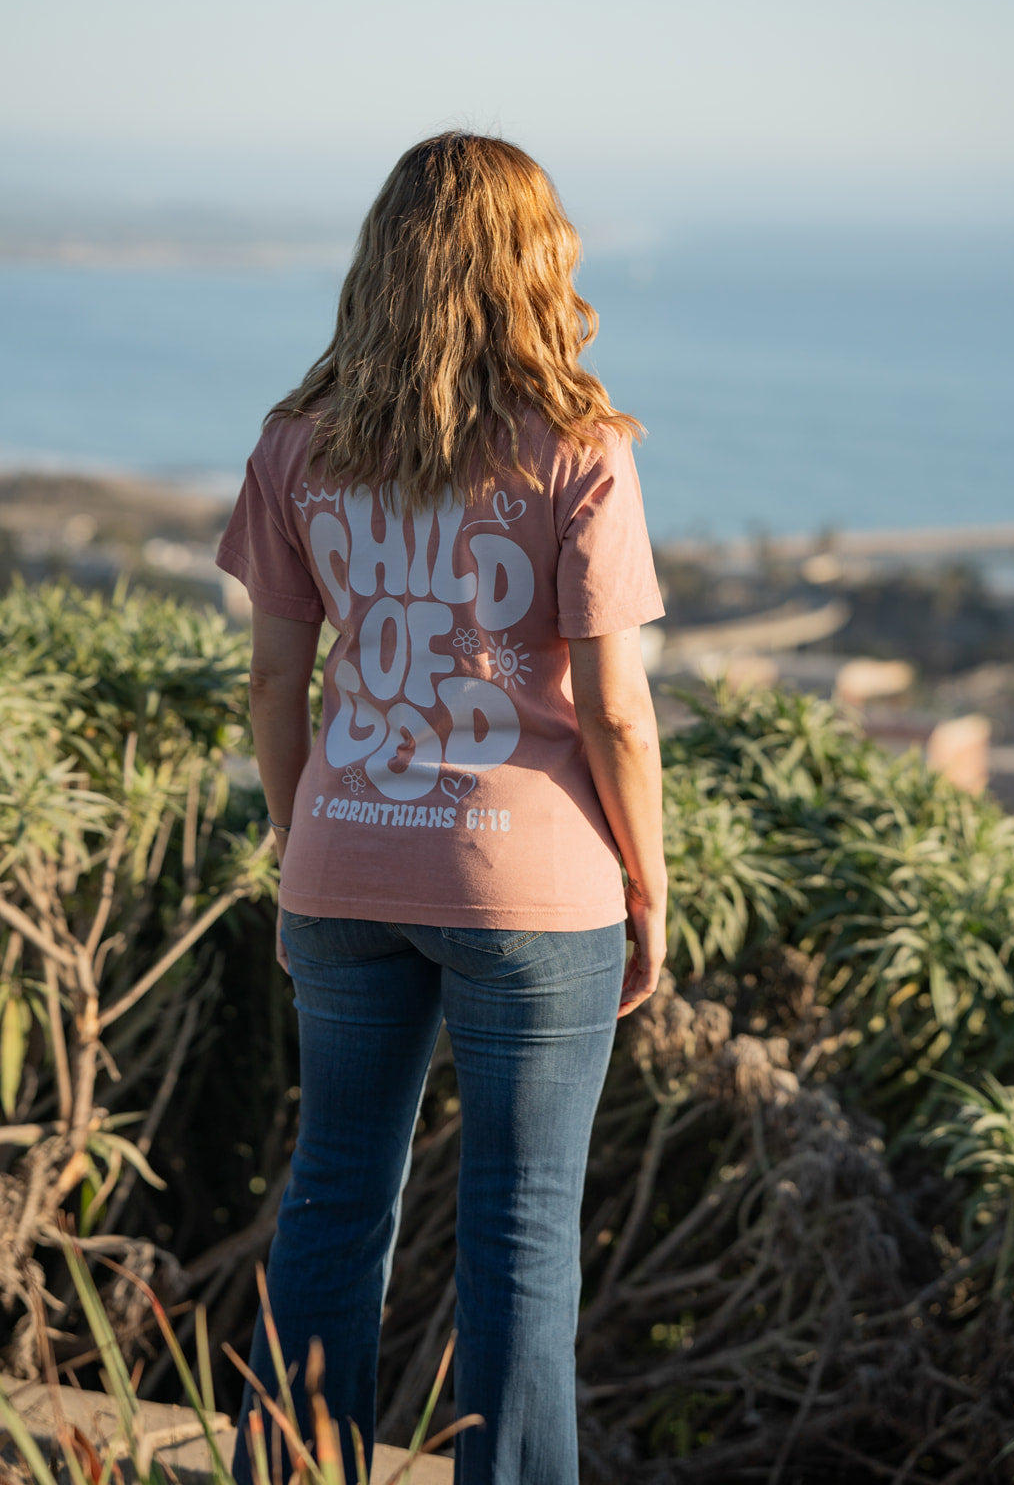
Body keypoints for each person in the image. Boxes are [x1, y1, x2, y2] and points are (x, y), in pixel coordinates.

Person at [215, 131, 667, 1485]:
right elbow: (620, 716)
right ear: (540, 263)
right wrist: (650, 890)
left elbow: (274, 687)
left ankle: (287, 1472)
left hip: (346, 859)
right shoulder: (579, 445)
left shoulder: (300, 444)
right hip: (536, 885)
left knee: (334, 1197)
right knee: (522, 1226)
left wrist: (305, 852)